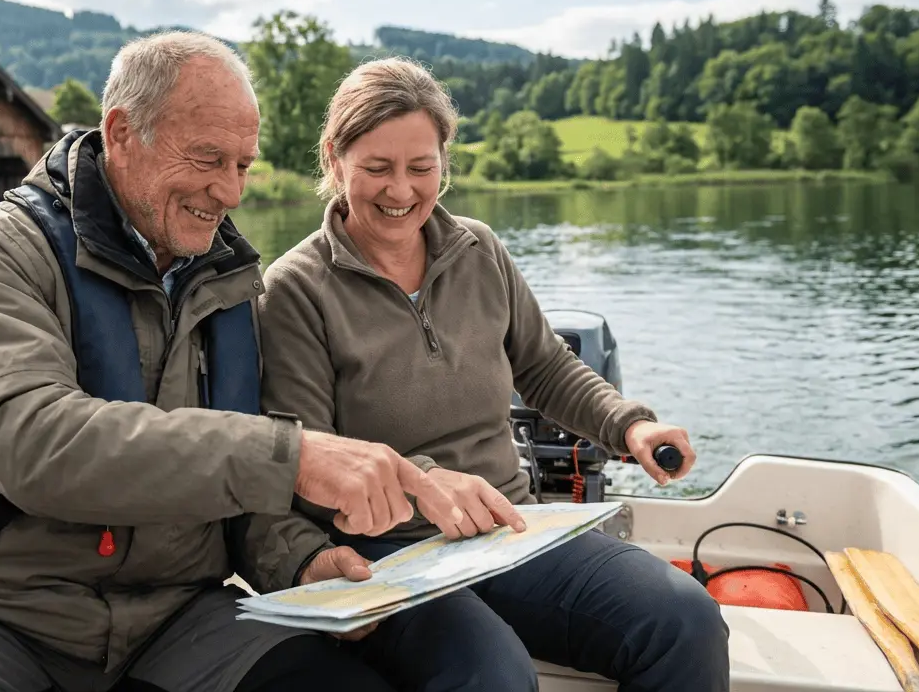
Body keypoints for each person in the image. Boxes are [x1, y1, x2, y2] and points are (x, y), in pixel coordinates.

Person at [0, 33, 471, 692]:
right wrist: (296, 456)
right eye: (208, 157)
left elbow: (245, 502)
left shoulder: (232, 280)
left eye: (243, 164)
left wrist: (301, 564)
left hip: (178, 616)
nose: (229, 191)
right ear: (122, 133)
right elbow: (34, 442)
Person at [252, 57, 731, 692]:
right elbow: (308, 461)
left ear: (444, 161)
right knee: (492, 675)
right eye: (376, 168)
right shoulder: (294, 290)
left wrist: (629, 425)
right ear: (334, 159)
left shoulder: (479, 250)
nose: (401, 191)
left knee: (684, 618)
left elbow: (544, 365)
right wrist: (422, 481)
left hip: (508, 527)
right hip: (384, 555)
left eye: (421, 167)